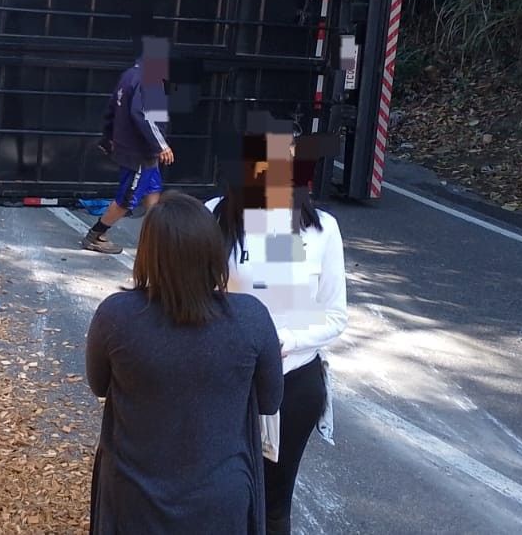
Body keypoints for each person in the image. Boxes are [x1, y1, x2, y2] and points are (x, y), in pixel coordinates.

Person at [86, 191, 284, 534]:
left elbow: (99, 385)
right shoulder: (251, 318)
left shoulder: (116, 315)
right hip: (221, 497)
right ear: (213, 252)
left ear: (148, 254)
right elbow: (270, 400)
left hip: (134, 493)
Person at [207, 118, 349, 535]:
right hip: (224, 380)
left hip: (292, 385)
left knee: (272, 504)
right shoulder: (214, 216)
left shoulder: (321, 230)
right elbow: (193, 293)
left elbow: (335, 316)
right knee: (218, 492)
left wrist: (284, 340)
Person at [83, 37, 174, 254]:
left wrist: (108, 136)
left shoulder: (129, 76)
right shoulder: (148, 79)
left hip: (138, 150)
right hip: (140, 152)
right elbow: (143, 115)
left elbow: (111, 108)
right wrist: (162, 145)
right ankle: (95, 235)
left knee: (153, 189)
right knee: (127, 199)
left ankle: (156, 240)